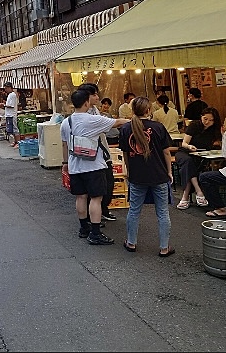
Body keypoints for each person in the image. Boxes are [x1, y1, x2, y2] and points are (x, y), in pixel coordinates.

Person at [60, 89, 128, 245]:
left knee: (81, 197)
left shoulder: (66, 122)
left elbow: (64, 144)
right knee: (96, 199)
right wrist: (137, 120)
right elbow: (117, 123)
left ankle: (84, 228)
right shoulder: (92, 120)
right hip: (93, 166)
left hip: (75, 165)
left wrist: (65, 164)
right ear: (86, 102)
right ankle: (95, 233)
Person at [118, 97, 174, 257]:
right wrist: (169, 172)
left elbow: (126, 154)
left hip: (137, 176)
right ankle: (164, 247)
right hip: (159, 175)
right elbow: (166, 152)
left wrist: (129, 171)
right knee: (162, 212)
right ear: (148, 110)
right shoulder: (158, 127)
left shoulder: (126, 129)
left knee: (134, 211)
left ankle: (131, 242)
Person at [79, 83, 116, 222]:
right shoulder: (84, 114)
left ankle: (103, 210)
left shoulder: (94, 109)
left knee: (107, 183)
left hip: (102, 152)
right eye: (94, 94)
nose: (97, 97)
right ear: (86, 97)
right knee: (95, 189)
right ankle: (93, 218)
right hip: (91, 155)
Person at [175, 107, 222, 210]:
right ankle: (198, 191)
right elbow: (184, 143)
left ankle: (185, 197)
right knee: (188, 162)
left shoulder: (214, 129)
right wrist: (189, 147)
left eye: (211, 120)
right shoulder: (194, 125)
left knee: (189, 166)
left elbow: (218, 143)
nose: (207, 122)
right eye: (205, 119)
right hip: (185, 152)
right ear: (201, 117)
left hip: (201, 154)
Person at [0, 82, 20, 147]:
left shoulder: (12, 95)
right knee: (12, 129)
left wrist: (4, 105)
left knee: (15, 129)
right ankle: (15, 141)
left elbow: (11, 105)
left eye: (6, 88)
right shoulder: (10, 95)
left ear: (9, 88)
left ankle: (18, 143)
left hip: (12, 115)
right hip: (9, 114)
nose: (5, 90)